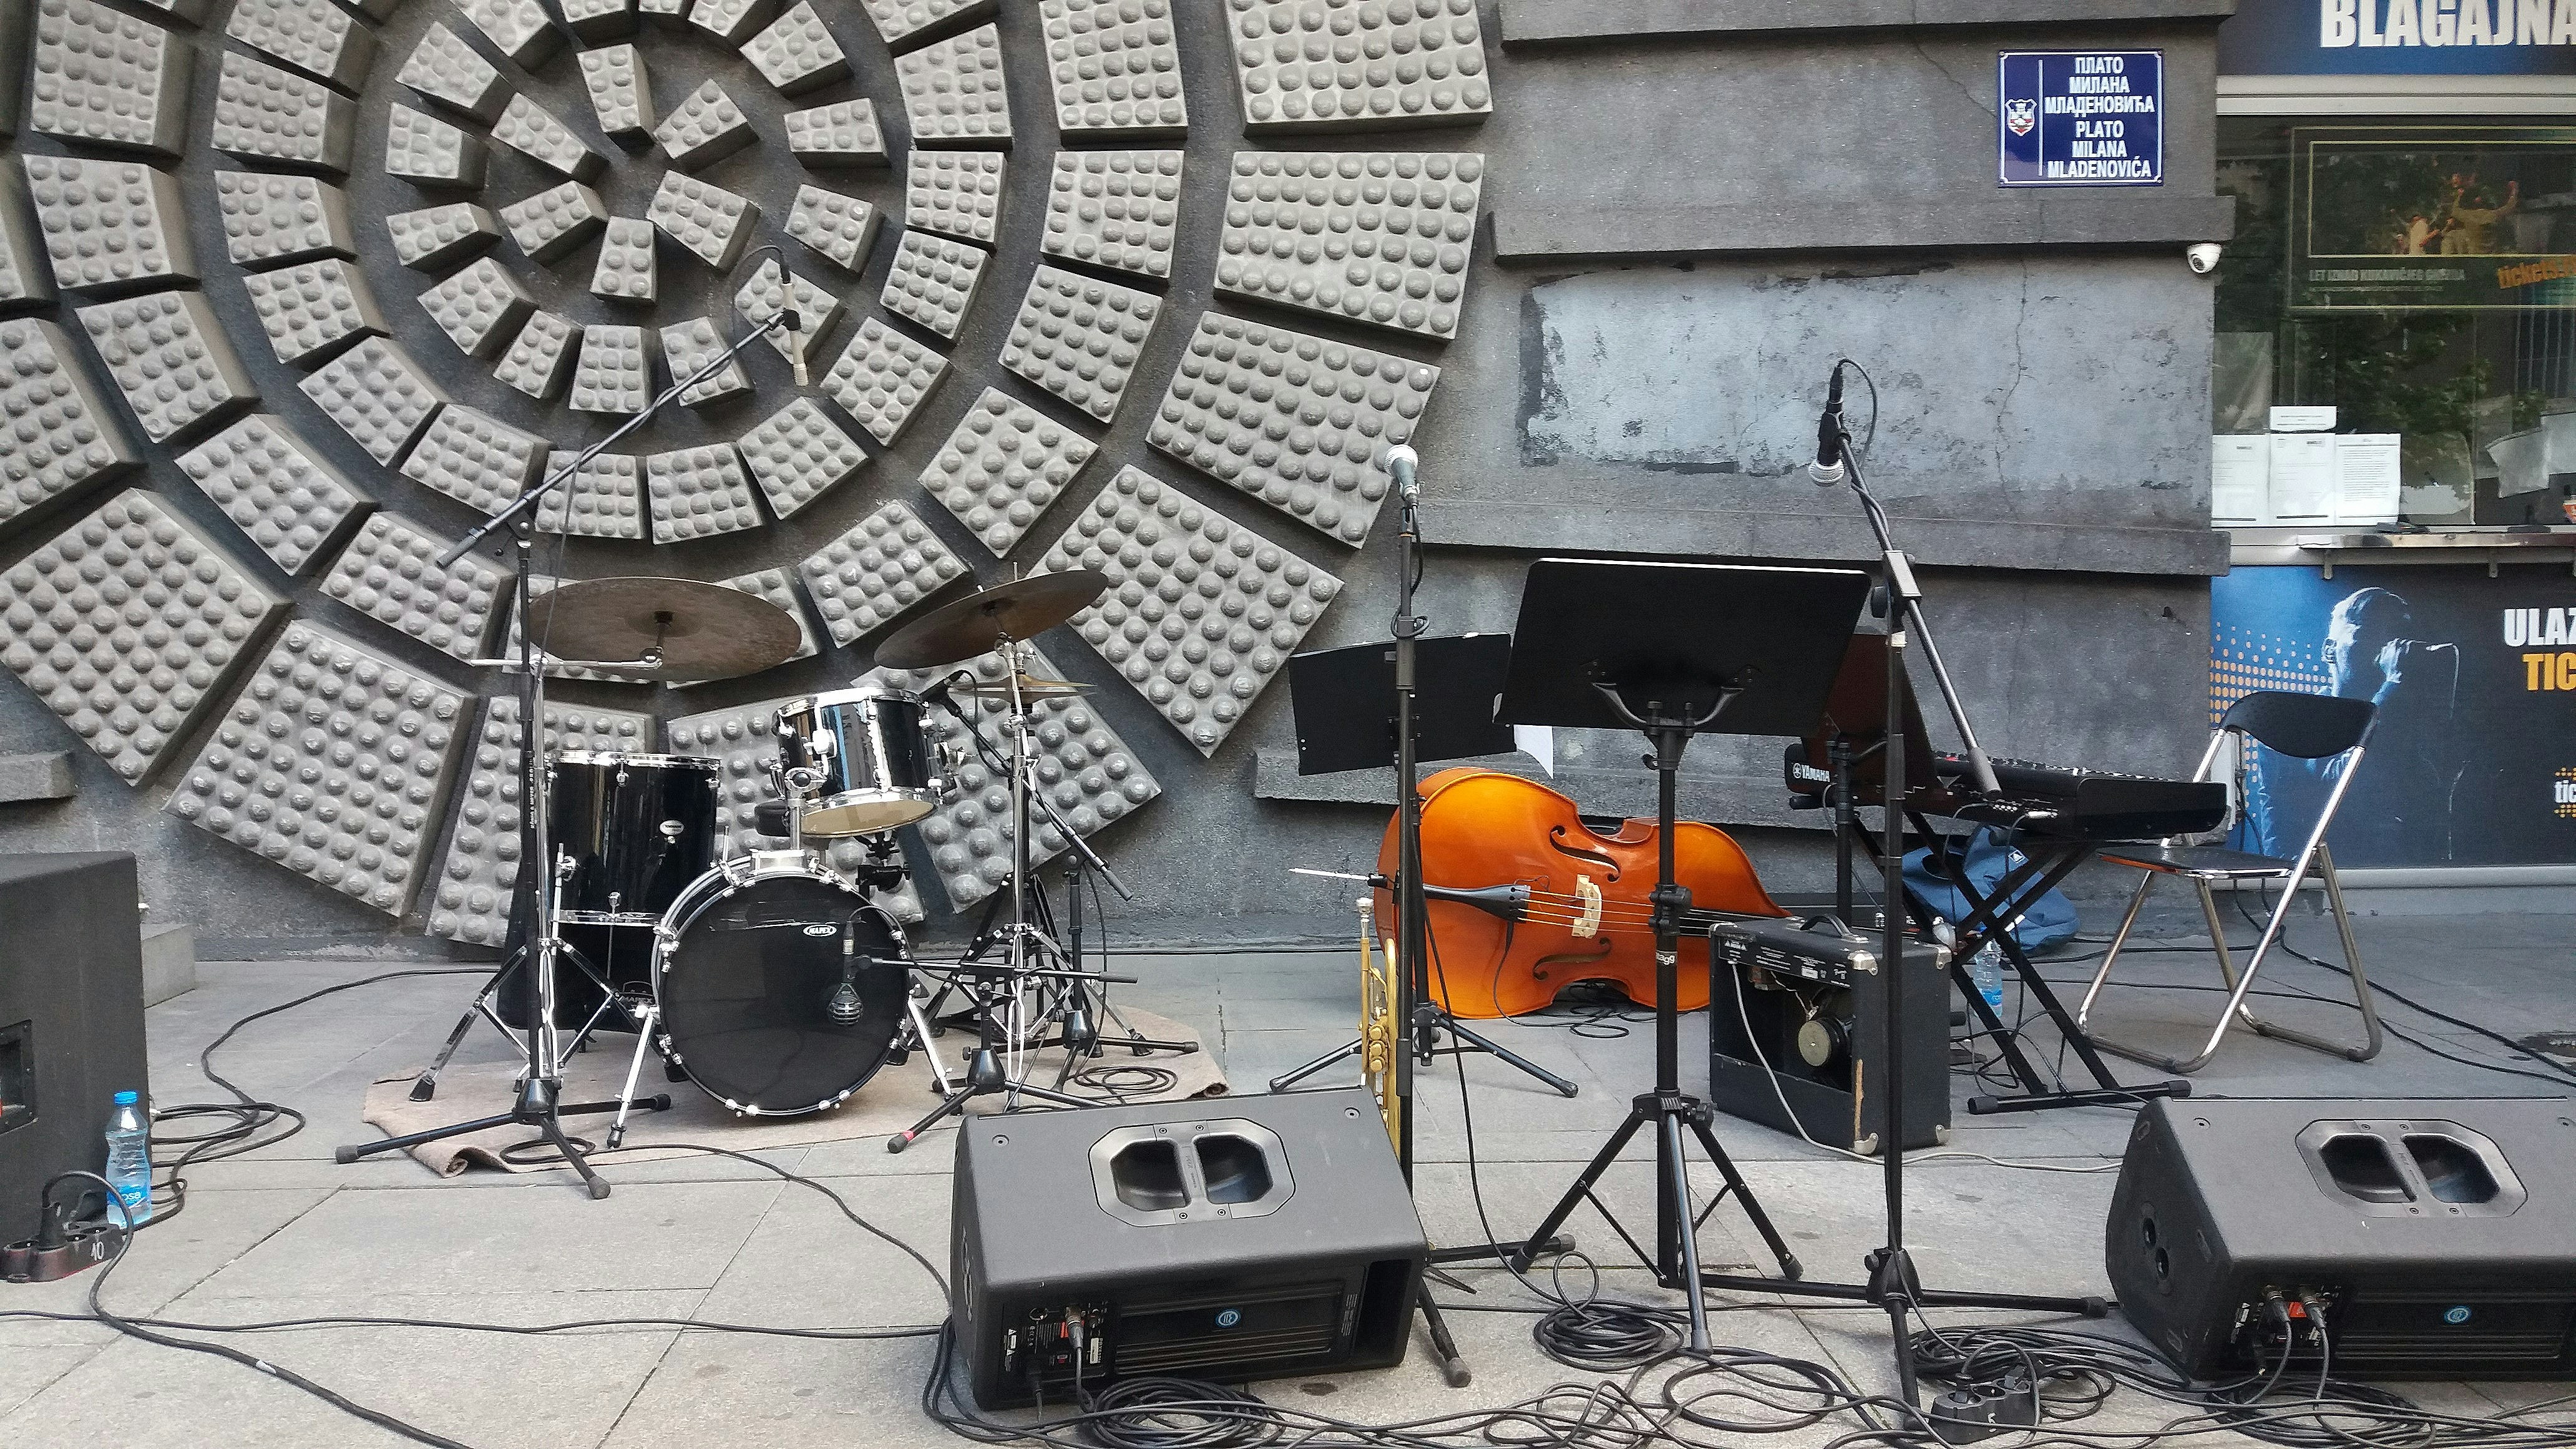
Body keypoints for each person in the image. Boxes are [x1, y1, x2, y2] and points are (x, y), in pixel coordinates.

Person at [2240, 587, 2459, 863]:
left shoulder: (2410, 716)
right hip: (2328, 872)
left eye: (2395, 633)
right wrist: (2394, 685)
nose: (2387, 644)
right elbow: (2339, 780)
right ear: (2329, 650)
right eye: (2370, 630)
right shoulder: (2297, 721)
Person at [2439, 175, 2520, 255]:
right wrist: (2514, 192)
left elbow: (2455, 210)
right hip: (2491, 255)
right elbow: (2510, 206)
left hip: (2473, 255)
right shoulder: (2493, 215)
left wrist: (2459, 197)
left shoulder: (2467, 215)